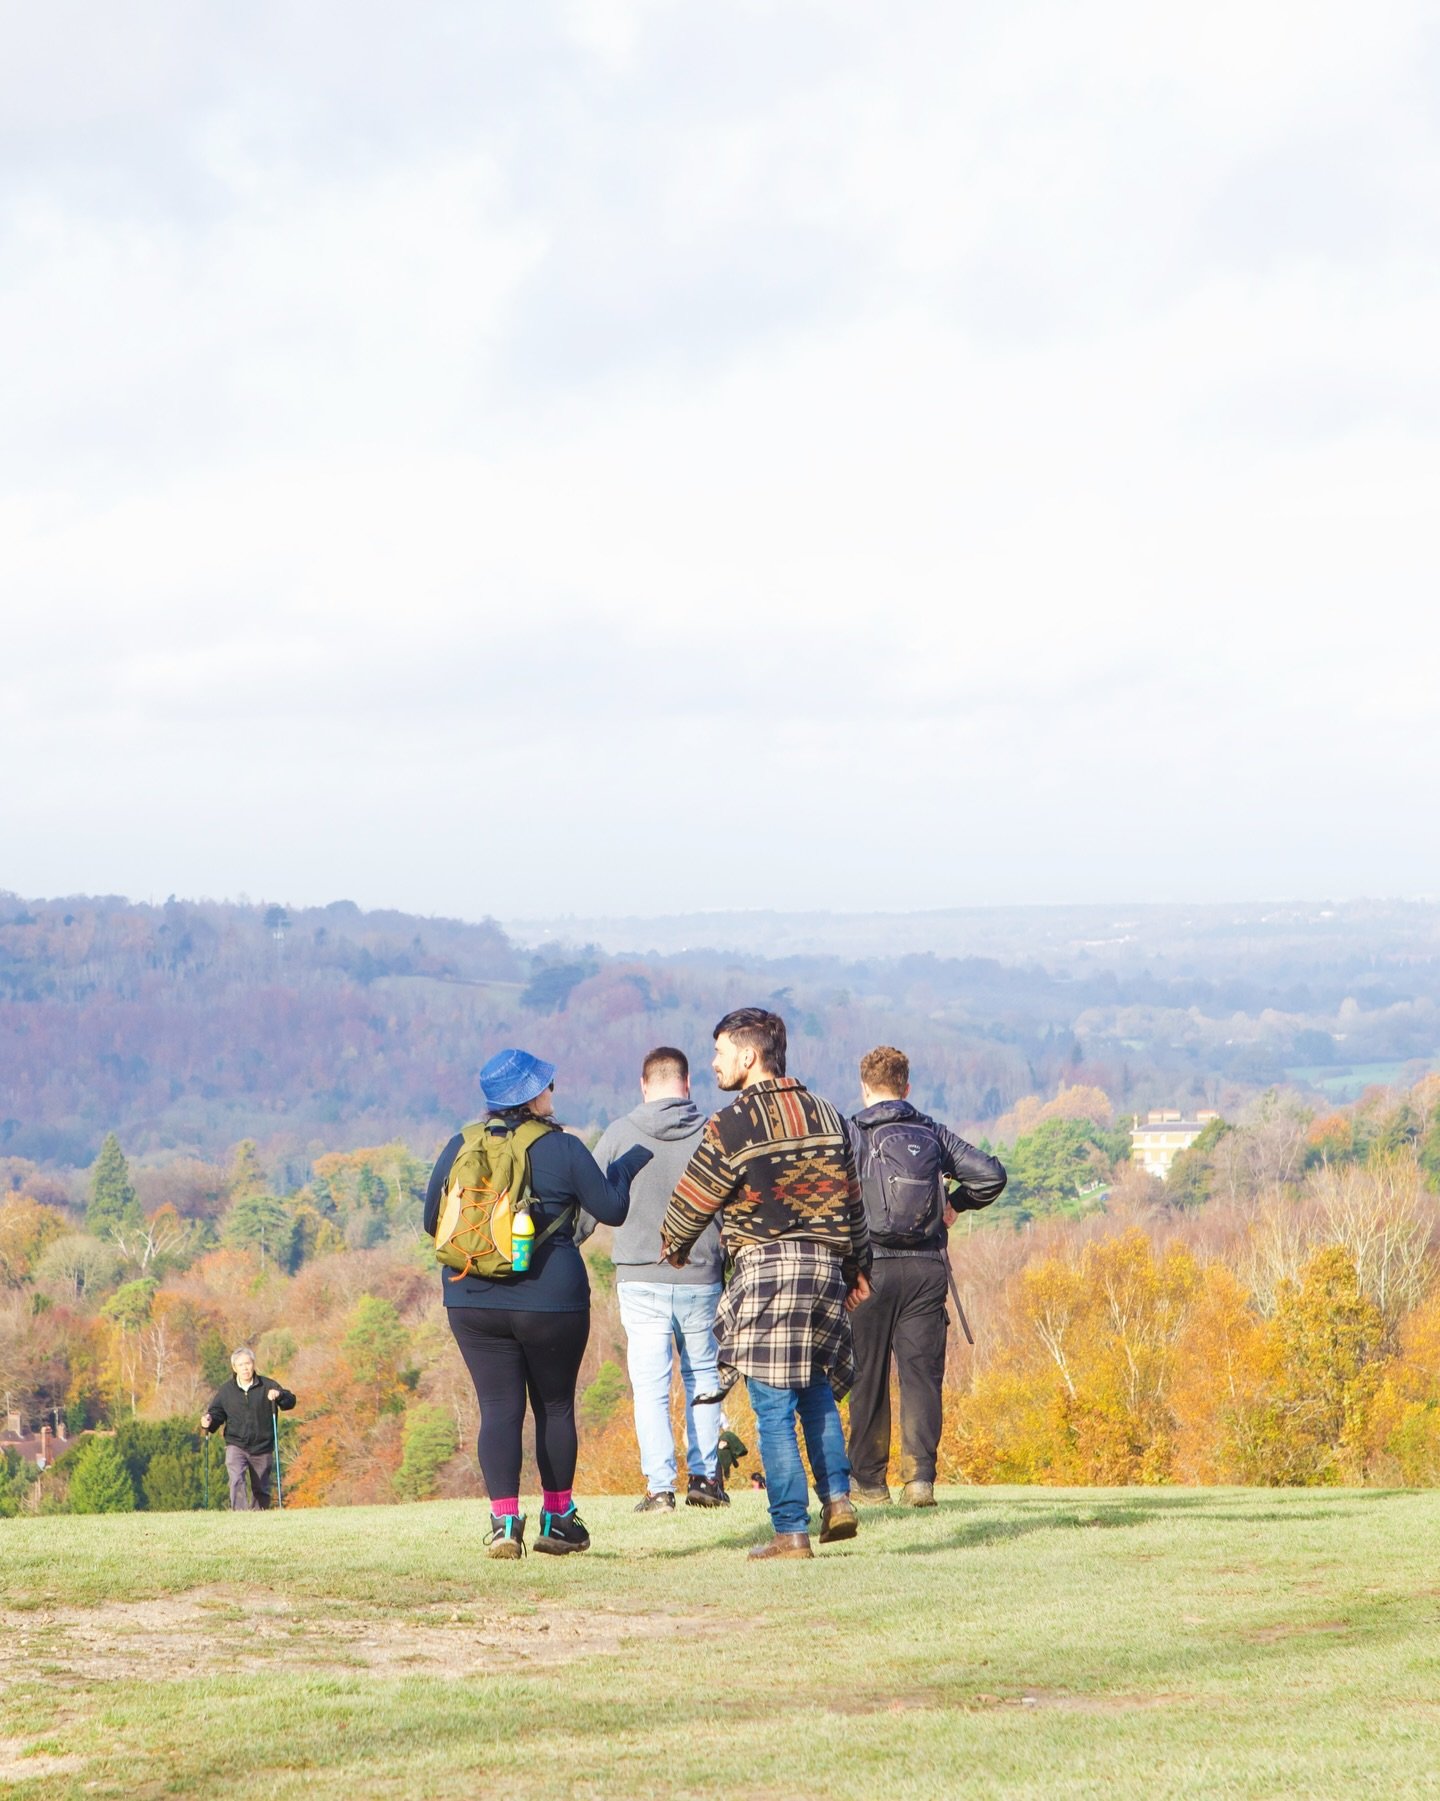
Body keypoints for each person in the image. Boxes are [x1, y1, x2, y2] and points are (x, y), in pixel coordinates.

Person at [661, 1007, 872, 1561]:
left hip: (767, 1271)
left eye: (720, 1052)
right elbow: (853, 1202)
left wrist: (675, 1247)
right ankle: (838, 1499)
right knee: (817, 1389)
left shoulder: (732, 1124)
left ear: (748, 1056)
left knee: (773, 1405)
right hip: (825, 1268)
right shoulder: (827, 1113)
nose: (713, 1063)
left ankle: (790, 1532)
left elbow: (693, 1198)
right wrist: (856, 1269)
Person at [423, 1047, 647, 1560]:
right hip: (551, 1300)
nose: (553, 1092)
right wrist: (627, 1166)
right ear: (531, 1095)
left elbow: (429, 1219)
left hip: (471, 1297)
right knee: (555, 1406)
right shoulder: (562, 1147)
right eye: (547, 1085)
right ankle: (558, 1518)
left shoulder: (461, 1144)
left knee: (497, 1409)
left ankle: (504, 1524)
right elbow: (611, 1209)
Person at [844, 1045, 1007, 1507]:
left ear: (864, 1087)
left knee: (867, 1376)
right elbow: (991, 1175)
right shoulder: (931, 1132)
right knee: (920, 1376)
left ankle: (870, 1483)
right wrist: (956, 1204)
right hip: (925, 1269)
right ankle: (920, 1480)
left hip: (868, 1267)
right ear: (907, 1087)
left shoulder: (851, 1132)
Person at [589, 1046, 727, 1512]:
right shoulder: (713, 1132)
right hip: (701, 1274)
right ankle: (706, 1479)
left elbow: (590, 1203)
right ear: (687, 1084)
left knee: (650, 1387)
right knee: (703, 1375)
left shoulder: (620, 1133)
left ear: (644, 1085)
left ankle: (660, 1487)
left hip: (639, 1277)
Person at [200, 1347, 295, 1511]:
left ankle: (258, 1518)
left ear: (253, 1364)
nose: (245, 1368)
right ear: (234, 1368)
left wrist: (279, 1395)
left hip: (263, 1445)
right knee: (236, 1479)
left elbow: (290, 1402)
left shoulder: (267, 1385)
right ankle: (240, 1515)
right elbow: (216, 1413)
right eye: (241, 1365)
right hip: (236, 1444)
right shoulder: (226, 1391)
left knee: (261, 1488)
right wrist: (208, 1421)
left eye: (248, 1363)